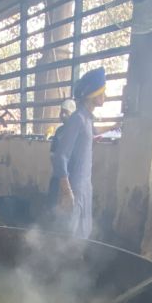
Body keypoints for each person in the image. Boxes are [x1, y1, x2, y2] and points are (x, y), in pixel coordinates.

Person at [49, 67, 106, 239]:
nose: (105, 96)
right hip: (74, 187)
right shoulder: (78, 119)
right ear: (93, 94)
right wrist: (67, 191)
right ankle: (59, 266)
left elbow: (77, 149)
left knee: (83, 233)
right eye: (103, 92)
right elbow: (60, 156)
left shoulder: (87, 119)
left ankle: (74, 265)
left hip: (84, 185)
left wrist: (89, 144)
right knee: (69, 236)